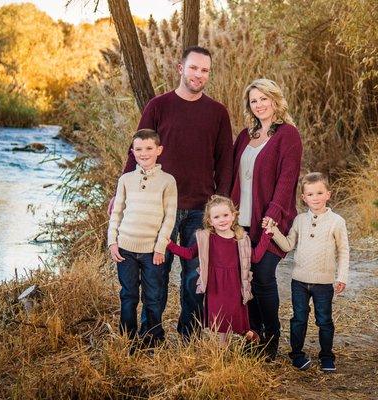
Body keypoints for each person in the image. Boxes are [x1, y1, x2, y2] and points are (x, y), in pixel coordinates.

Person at [109, 46, 233, 340]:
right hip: (156, 208)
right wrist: (120, 191)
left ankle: (189, 334)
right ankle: (152, 334)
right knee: (157, 275)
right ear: (181, 68)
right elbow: (136, 150)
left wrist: (221, 202)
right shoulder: (158, 106)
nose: (198, 75)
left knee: (194, 275)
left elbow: (225, 160)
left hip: (199, 207)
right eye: (193, 68)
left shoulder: (217, 113)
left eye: (204, 70)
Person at [230, 78, 303, 360]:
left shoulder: (288, 135)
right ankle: (254, 334)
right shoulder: (245, 136)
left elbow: (287, 181)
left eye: (264, 99)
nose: (259, 105)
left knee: (262, 276)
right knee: (245, 278)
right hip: (242, 221)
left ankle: (271, 338)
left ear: (275, 100)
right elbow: (232, 176)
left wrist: (272, 217)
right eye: (254, 101)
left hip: (270, 220)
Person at [263, 172, 349, 372]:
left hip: (324, 282)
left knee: (324, 320)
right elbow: (287, 246)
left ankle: (327, 356)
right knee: (299, 318)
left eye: (320, 193)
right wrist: (273, 231)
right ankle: (297, 355)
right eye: (310, 194)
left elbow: (344, 250)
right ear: (303, 198)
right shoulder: (299, 220)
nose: (315, 198)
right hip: (299, 281)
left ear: (328, 194)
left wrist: (341, 277)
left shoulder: (337, 221)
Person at [107, 129, 177, 346]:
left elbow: (170, 217)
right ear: (132, 152)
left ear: (159, 150)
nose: (144, 153)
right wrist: (112, 241)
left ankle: (152, 338)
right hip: (125, 247)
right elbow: (116, 212)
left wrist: (160, 247)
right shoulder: (126, 179)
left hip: (151, 251)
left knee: (153, 297)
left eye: (148, 148)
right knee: (128, 294)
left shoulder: (168, 181)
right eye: (138, 149)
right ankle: (126, 338)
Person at [167, 195, 269, 343]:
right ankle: (222, 348)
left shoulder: (240, 238)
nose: (222, 220)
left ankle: (246, 332)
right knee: (219, 318)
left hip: (234, 284)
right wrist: (170, 245)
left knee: (234, 315)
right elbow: (189, 254)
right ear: (210, 221)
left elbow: (255, 257)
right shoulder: (206, 238)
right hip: (215, 285)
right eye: (217, 217)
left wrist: (266, 236)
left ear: (233, 216)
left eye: (226, 215)